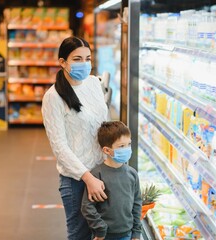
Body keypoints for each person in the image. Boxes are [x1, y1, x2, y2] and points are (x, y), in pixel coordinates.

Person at [42, 36, 109, 240]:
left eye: (88, 58)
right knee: (80, 235)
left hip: (103, 172)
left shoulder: (93, 83)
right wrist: (88, 178)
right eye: (77, 59)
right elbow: (60, 147)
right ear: (63, 62)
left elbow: (102, 124)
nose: (85, 64)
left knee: (103, 233)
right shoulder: (53, 97)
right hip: (77, 180)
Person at [81, 121, 142, 240]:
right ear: (107, 150)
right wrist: (100, 229)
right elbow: (87, 206)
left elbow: (137, 203)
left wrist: (136, 233)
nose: (127, 149)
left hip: (127, 234)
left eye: (129, 144)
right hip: (104, 236)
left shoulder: (132, 174)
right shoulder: (96, 175)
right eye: (121, 146)